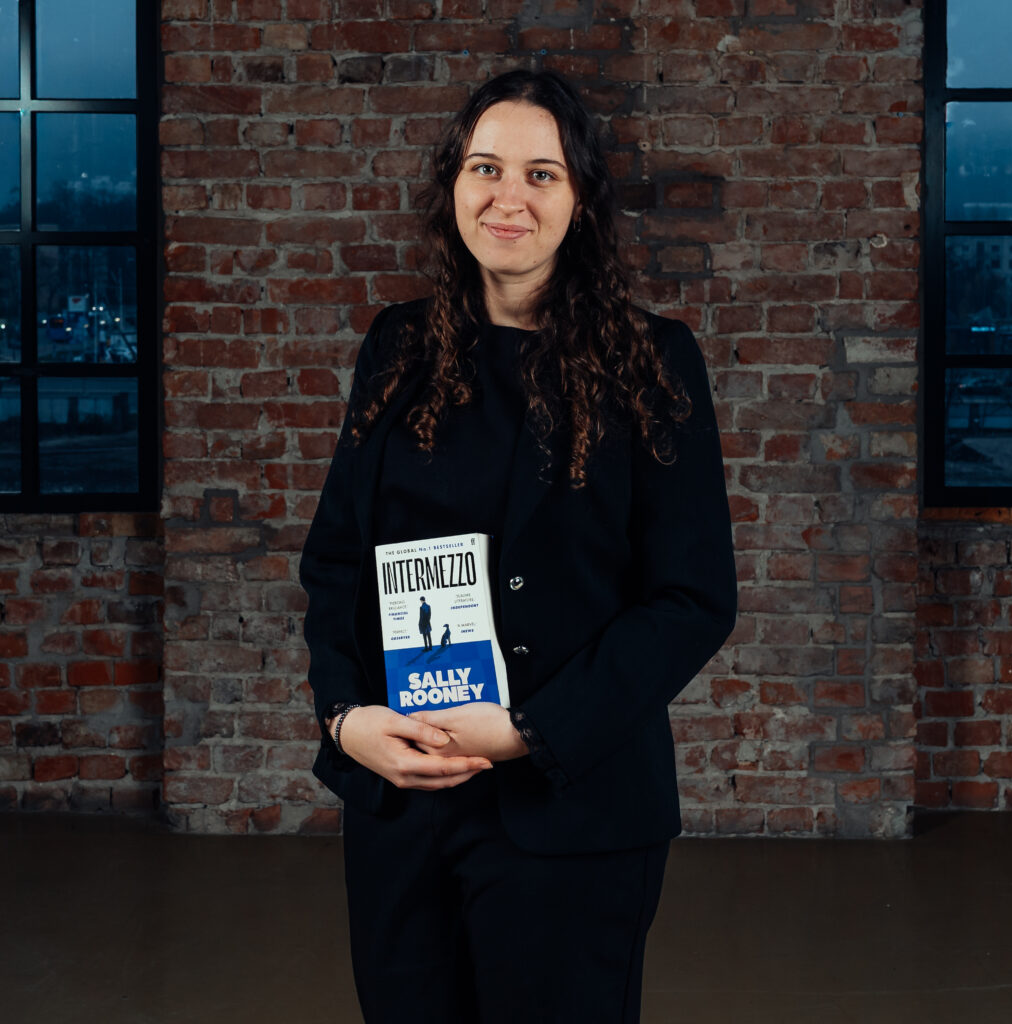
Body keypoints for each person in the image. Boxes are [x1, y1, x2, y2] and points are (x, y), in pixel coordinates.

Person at [299, 68, 736, 1024]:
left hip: (572, 814)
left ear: (581, 201)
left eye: (542, 174)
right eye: (485, 168)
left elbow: (693, 601)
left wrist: (531, 732)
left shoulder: (653, 363)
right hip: (402, 802)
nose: (509, 197)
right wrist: (344, 719)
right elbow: (335, 563)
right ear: (453, 185)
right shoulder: (396, 348)